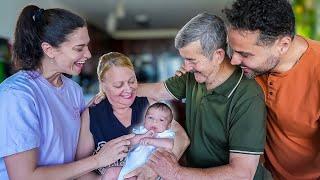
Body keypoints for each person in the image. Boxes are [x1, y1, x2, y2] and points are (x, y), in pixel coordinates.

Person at [0, 5, 133, 180]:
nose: (88, 54)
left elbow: (74, 159)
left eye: (87, 46)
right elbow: (24, 177)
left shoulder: (73, 90)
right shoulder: (17, 95)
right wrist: (98, 160)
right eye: (79, 48)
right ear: (49, 50)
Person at [133, 13, 267, 179]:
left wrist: (176, 173)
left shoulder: (248, 96)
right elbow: (157, 90)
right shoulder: (192, 76)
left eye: (192, 60)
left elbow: (242, 173)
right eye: (184, 59)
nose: (186, 67)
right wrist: (117, 90)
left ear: (218, 56)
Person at [223, 0, 320, 179]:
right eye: (232, 50)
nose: (234, 61)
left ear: (282, 45)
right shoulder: (252, 66)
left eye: (244, 54)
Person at [76, 52, 190, 179]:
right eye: (118, 85)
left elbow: (182, 138)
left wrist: (153, 170)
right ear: (103, 85)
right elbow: (82, 170)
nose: (128, 89)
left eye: (132, 81)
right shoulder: (92, 115)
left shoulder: (149, 105)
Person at [117, 102, 176, 180]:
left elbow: (170, 144)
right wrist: (143, 136)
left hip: (145, 171)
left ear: (168, 126)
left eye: (161, 120)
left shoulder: (165, 134)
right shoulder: (141, 131)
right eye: (150, 118)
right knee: (111, 172)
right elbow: (129, 142)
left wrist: (150, 140)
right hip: (128, 166)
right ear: (144, 119)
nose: (154, 121)